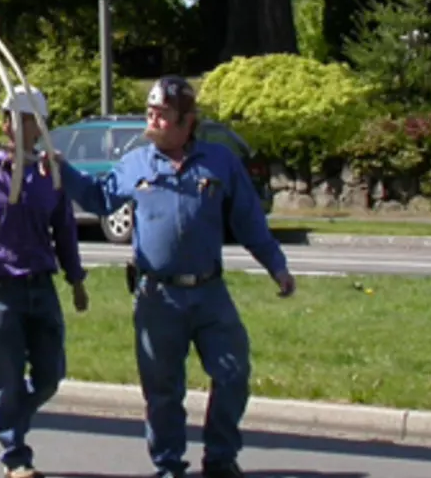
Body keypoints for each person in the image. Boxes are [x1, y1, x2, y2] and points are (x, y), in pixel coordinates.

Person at [59, 76, 295, 478]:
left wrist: (277, 266)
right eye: (150, 112)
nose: (152, 120)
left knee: (233, 373)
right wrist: (61, 169)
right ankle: (169, 466)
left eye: (162, 114)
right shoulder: (135, 163)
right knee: (163, 390)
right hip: (157, 297)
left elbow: (248, 220)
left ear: (188, 122)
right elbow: (100, 198)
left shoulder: (219, 162)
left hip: (209, 292)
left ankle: (220, 458)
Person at [0, 86, 87, 478]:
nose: (20, 127)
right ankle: (16, 457)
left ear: (40, 129)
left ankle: (7, 421)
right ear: (5, 124)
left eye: (30, 121)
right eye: (14, 119)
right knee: (5, 380)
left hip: (41, 286)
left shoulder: (50, 176)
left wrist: (76, 281)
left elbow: (65, 231)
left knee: (50, 374)